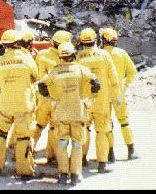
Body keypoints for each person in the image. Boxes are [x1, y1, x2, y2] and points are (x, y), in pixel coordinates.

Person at [38, 42, 100, 185]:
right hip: (78, 111)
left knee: (62, 143)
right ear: (73, 54)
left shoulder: (55, 71)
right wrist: (89, 101)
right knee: (77, 144)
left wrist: (51, 101)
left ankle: (63, 174)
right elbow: (97, 85)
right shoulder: (81, 69)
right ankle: (76, 174)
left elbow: (41, 86)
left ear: (60, 56)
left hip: (61, 112)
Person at [0, 29, 38, 179]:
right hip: (23, 103)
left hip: (5, 103)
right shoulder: (27, 58)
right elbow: (35, 76)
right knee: (23, 136)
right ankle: (24, 170)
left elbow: (1, 82)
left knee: (2, 134)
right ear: (18, 43)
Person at [76, 27, 120, 173]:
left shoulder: (78, 57)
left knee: (85, 129)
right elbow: (114, 79)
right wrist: (116, 97)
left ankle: (82, 159)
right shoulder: (104, 55)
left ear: (82, 41)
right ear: (96, 40)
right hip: (102, 99)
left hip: (85, 100)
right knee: (102, 131)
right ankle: (102, 164)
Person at [33, 30, 72, 162]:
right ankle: (52, 156)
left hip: (42, 96)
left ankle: (25, 152)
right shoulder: (65, 59)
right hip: (57, 98)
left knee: (38, 125)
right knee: (54, 127)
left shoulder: (42, 54)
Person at [100, 27, 138, 161]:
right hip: (118, 92)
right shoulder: (122, 53)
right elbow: (133, 72)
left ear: (104, 40)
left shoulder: (99, 54)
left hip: (103, 94)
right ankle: (131, 151)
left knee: (107, 123)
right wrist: (125, 86)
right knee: (124, 121)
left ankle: (110, 154)